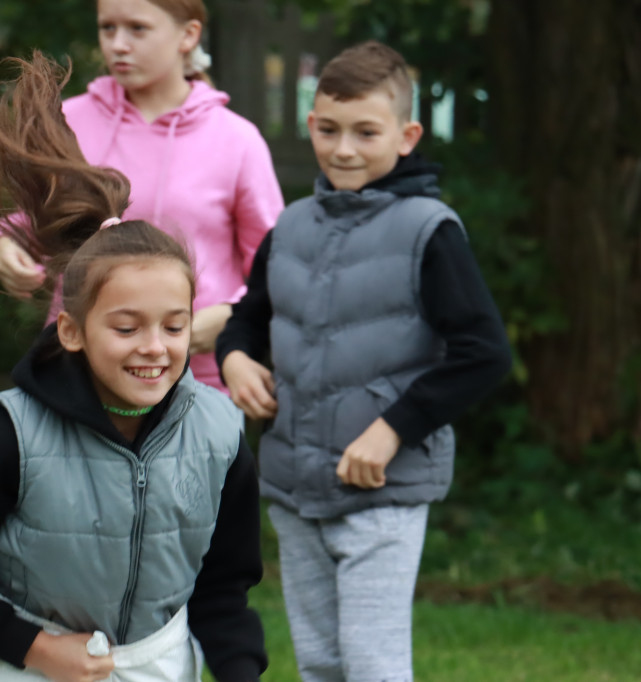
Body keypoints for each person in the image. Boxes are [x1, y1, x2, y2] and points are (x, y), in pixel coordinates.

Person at [0, 52, 266, 682]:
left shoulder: (220, 432)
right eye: (126, 327)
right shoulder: (6, 435)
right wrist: (35, 649)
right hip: (14, 667)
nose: (154, 346)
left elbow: (224, 588)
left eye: (174, 326)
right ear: (71, 330)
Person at [216, 41, 513, 682]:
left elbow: (484, 354)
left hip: (383, 491)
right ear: (310, 125)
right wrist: (236, 359)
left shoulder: (430, 231)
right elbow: (246, 318)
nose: (343, 148)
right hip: (295, 488)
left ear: (406, 136)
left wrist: (392, 431)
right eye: (328, 129)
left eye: (365, 132)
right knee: (322, 664)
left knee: (373, 666)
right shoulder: (290, 228)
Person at [0, 0, 284, 393]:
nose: (118, 45)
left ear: (188, 35)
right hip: (77, 369)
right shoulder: (70, 120)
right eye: (108, 28)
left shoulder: (237, 139)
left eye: (137, 29)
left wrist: (231, 315)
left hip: (196, 378)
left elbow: (276, 264)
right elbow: (32, 217)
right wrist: (5, 245)